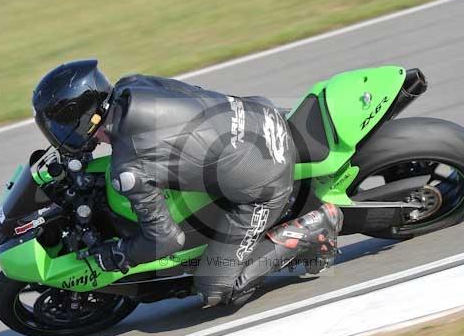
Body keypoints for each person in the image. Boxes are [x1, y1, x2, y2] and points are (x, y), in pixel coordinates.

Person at [32, 59, 343, 307]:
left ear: (83, 115)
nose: (59, 132)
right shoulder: (131, 85)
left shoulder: (129, 168)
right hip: (261, 115)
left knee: (216, 289)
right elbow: (192, 95)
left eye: (60, 124)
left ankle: (313, 228)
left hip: (265, 181)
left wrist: (116, 255)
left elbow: (165, 241)